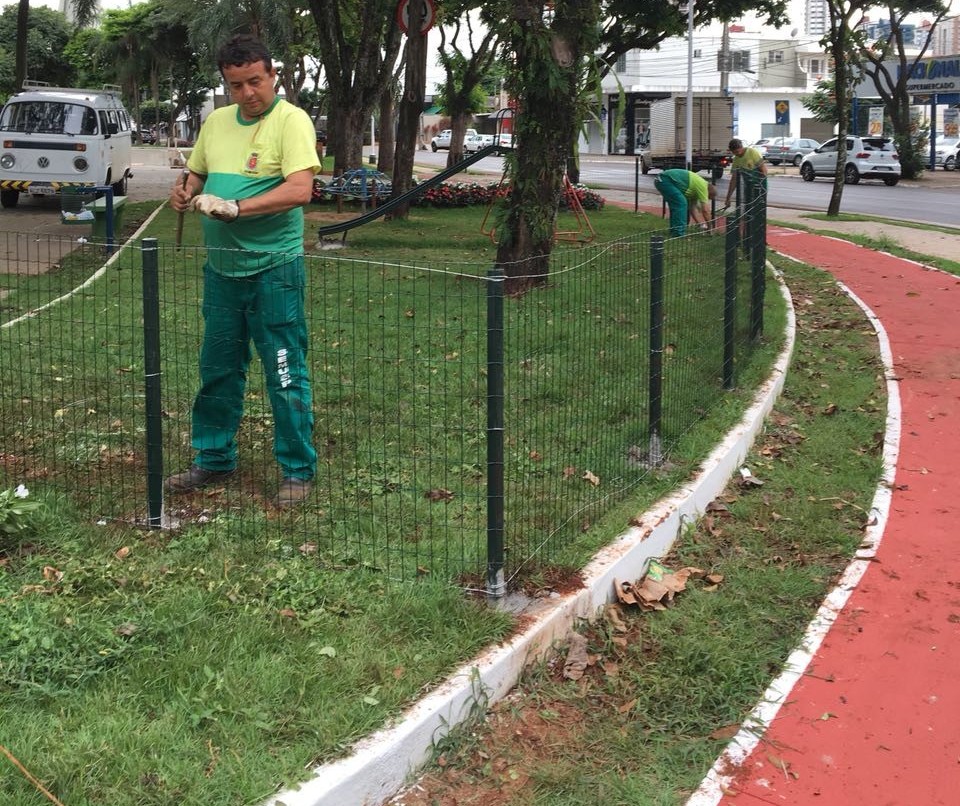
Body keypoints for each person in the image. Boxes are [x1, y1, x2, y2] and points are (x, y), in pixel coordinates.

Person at [166, 34, 321, 507]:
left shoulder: (291, 121)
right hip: (222, 272)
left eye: (255, 81)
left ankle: (297, 470)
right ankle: (213, 460)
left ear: (273, 75)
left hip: (274, 270)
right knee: (218, 370)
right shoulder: (215, 123)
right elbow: (198, 172)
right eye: (237, 85)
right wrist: (185, 189)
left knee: (284, 371)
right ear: (226, 85)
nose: (248, 93)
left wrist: (237, 208)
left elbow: (300, 190)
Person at [653, 168, 716, 236]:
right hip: (665, 179)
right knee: (681, 203)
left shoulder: (695, 191)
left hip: (661, 179)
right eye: (708, 198)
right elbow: (706, 211)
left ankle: (674, 230)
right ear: (708, 193)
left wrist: (701, 225)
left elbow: (692, 209)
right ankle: (678, 233)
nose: (706, 199)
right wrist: (710, 228)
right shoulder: (703, 187)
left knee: (676, 206)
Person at [724, 138, 767, 208]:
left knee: (758, 208)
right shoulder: (736, 159)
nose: (737, 154)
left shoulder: (752, 152)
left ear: (741, 147)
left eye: (738, 151)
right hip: (748, 186)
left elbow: (764, 171)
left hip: (759, 186)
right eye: (734, 153)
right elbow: (734, 180)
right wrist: (728, 198)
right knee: (748, 207)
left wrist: (759, 187)